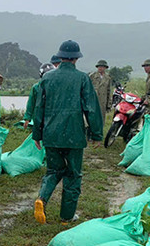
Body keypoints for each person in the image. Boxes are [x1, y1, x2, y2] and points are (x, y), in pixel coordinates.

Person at [32, 40, 103, 225]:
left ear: (60, 57)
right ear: (76, 59)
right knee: (72, 175)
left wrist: (37, 134)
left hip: (51, 134)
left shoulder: (47, 78)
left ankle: (42, 198)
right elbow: (92, 108)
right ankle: (66, 217)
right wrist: (96, 134)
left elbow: (39, 108)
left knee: (53, 170)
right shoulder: (82, 78)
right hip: (74, 136)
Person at [89, 60, 113, 128]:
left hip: (103, 102)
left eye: (102, 67)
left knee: (101, 119)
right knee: (92, 119)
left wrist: (109, 104)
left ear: (105, 68)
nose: (100, 68)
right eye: (99, 66)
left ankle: (99, 135)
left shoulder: (108, 78)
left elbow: (109, 91)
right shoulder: (92, 76)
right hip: (93, 101)